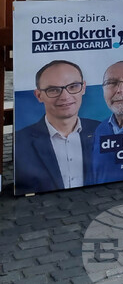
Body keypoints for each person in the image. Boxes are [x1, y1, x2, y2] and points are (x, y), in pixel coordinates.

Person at [14, 60, 99, 194]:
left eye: (73, 86)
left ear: (83, 88)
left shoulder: (103, 130)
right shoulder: (19, 142)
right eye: (53, 90)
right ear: (39, 95)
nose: (65, 96)